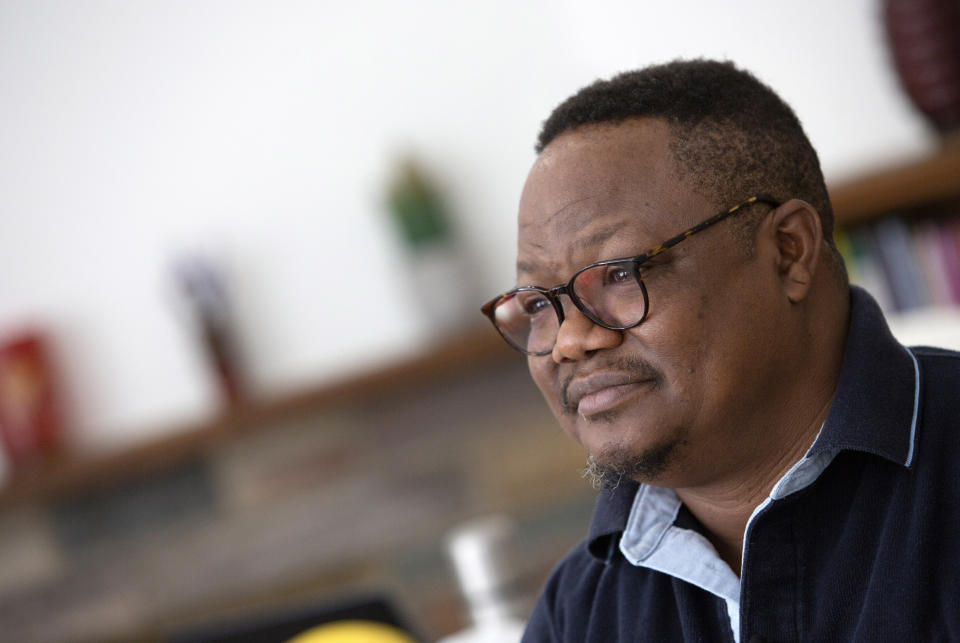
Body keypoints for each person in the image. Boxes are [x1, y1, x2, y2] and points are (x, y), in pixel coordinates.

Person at [480, 60, 960, 642]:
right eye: (536, 305)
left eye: (621, 273)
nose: (570, 342)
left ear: (788, 251)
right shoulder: (578, 613)